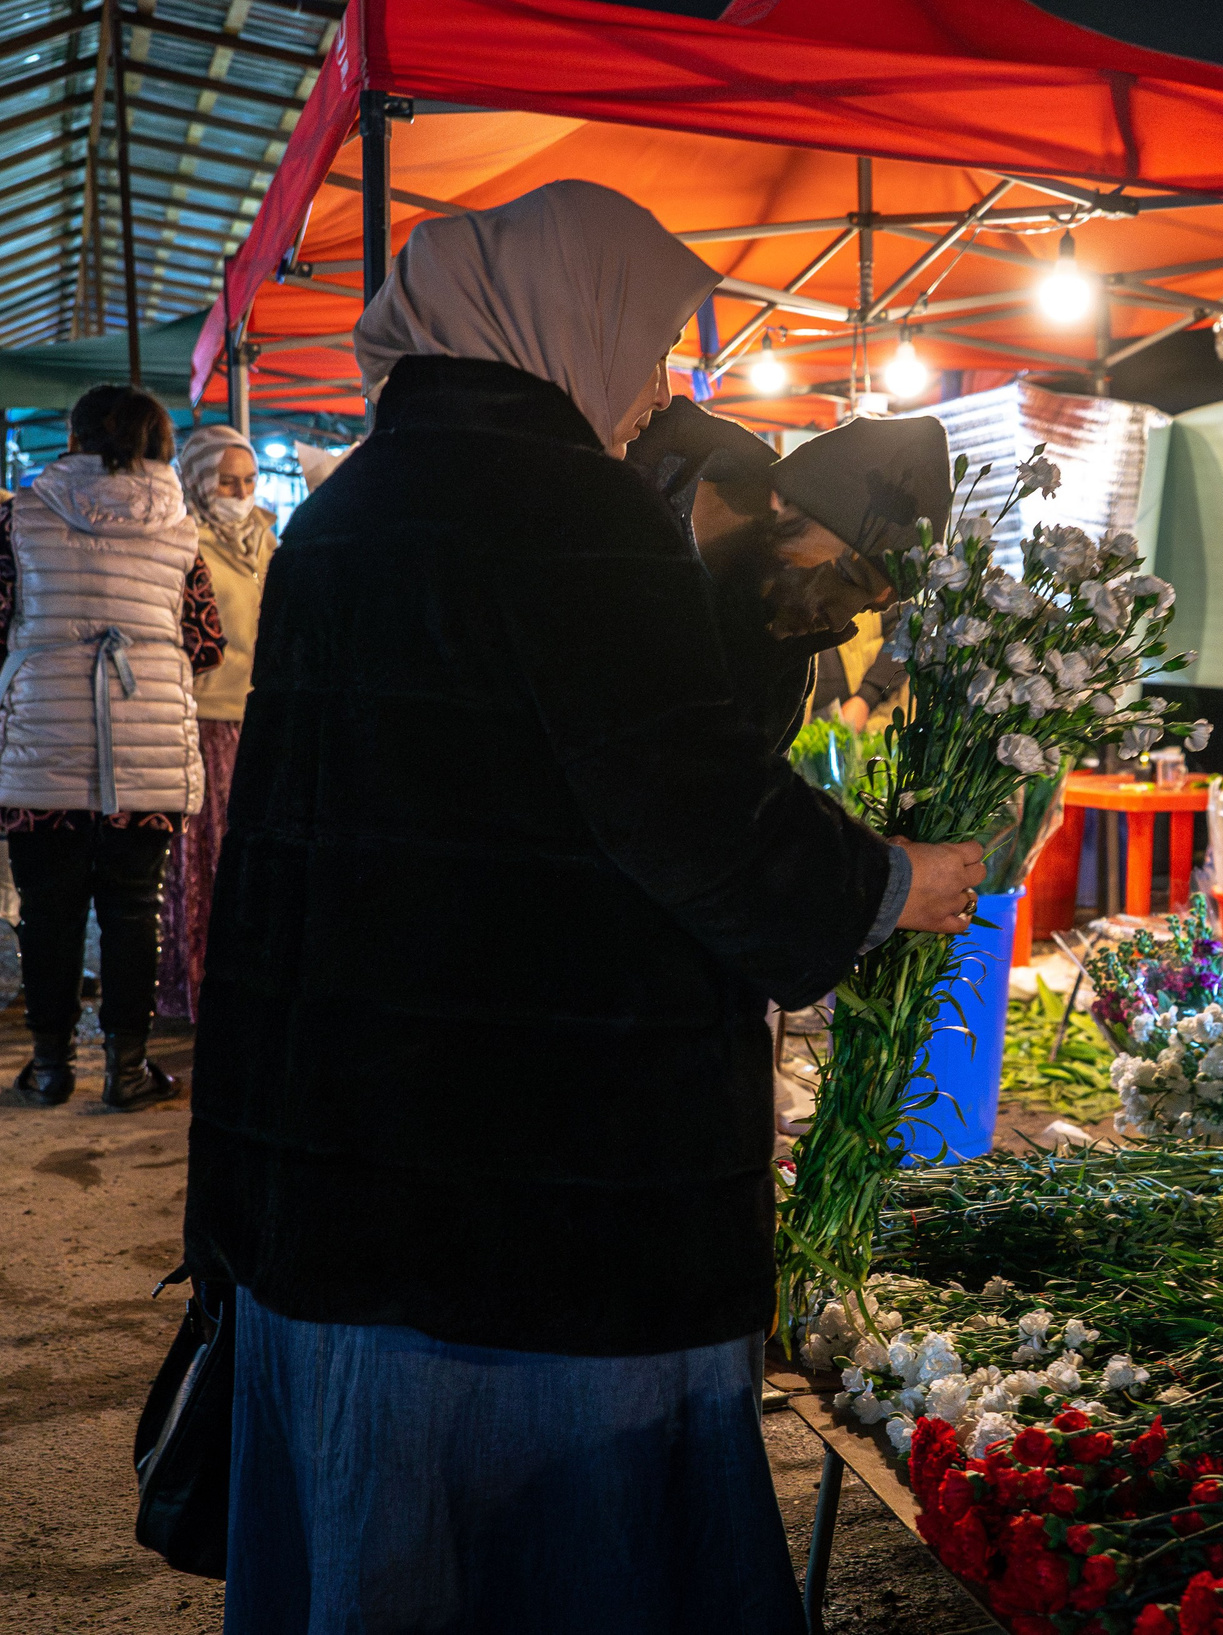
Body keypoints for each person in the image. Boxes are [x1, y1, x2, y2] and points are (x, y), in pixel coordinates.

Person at [183, 180, 986, 1633]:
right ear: (563, 316)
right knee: (566, 1563)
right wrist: (888, 881)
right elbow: (692, 809)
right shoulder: (571, 516)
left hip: (344, 1155)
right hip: (536, 1186)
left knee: (381, 1550)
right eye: (649, 338)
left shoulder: (348, 514)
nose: (656, 387)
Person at [4, 384, 223, 1111]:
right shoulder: (182, 527)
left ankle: (49, 1067)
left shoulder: (21, 517)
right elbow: (206, 641)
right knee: (134, 908)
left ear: (74, 438)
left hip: (42, 748)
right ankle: (127, 1071)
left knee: (47, 911)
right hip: (149, 745)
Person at [630, 396, 935, 753]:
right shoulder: (626, 463)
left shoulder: (784, 679)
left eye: (867, 609)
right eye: (848, 576)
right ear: (791, 501)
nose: (840, 622)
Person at [154, 423, 275, 1026]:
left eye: (249, 481)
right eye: (228, 482)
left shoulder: (266, 541)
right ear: (200, 481)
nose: (241, 493)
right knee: (200, 862)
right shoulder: (184, 542)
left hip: (257, 716)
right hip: (202, 720)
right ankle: (194, 986)